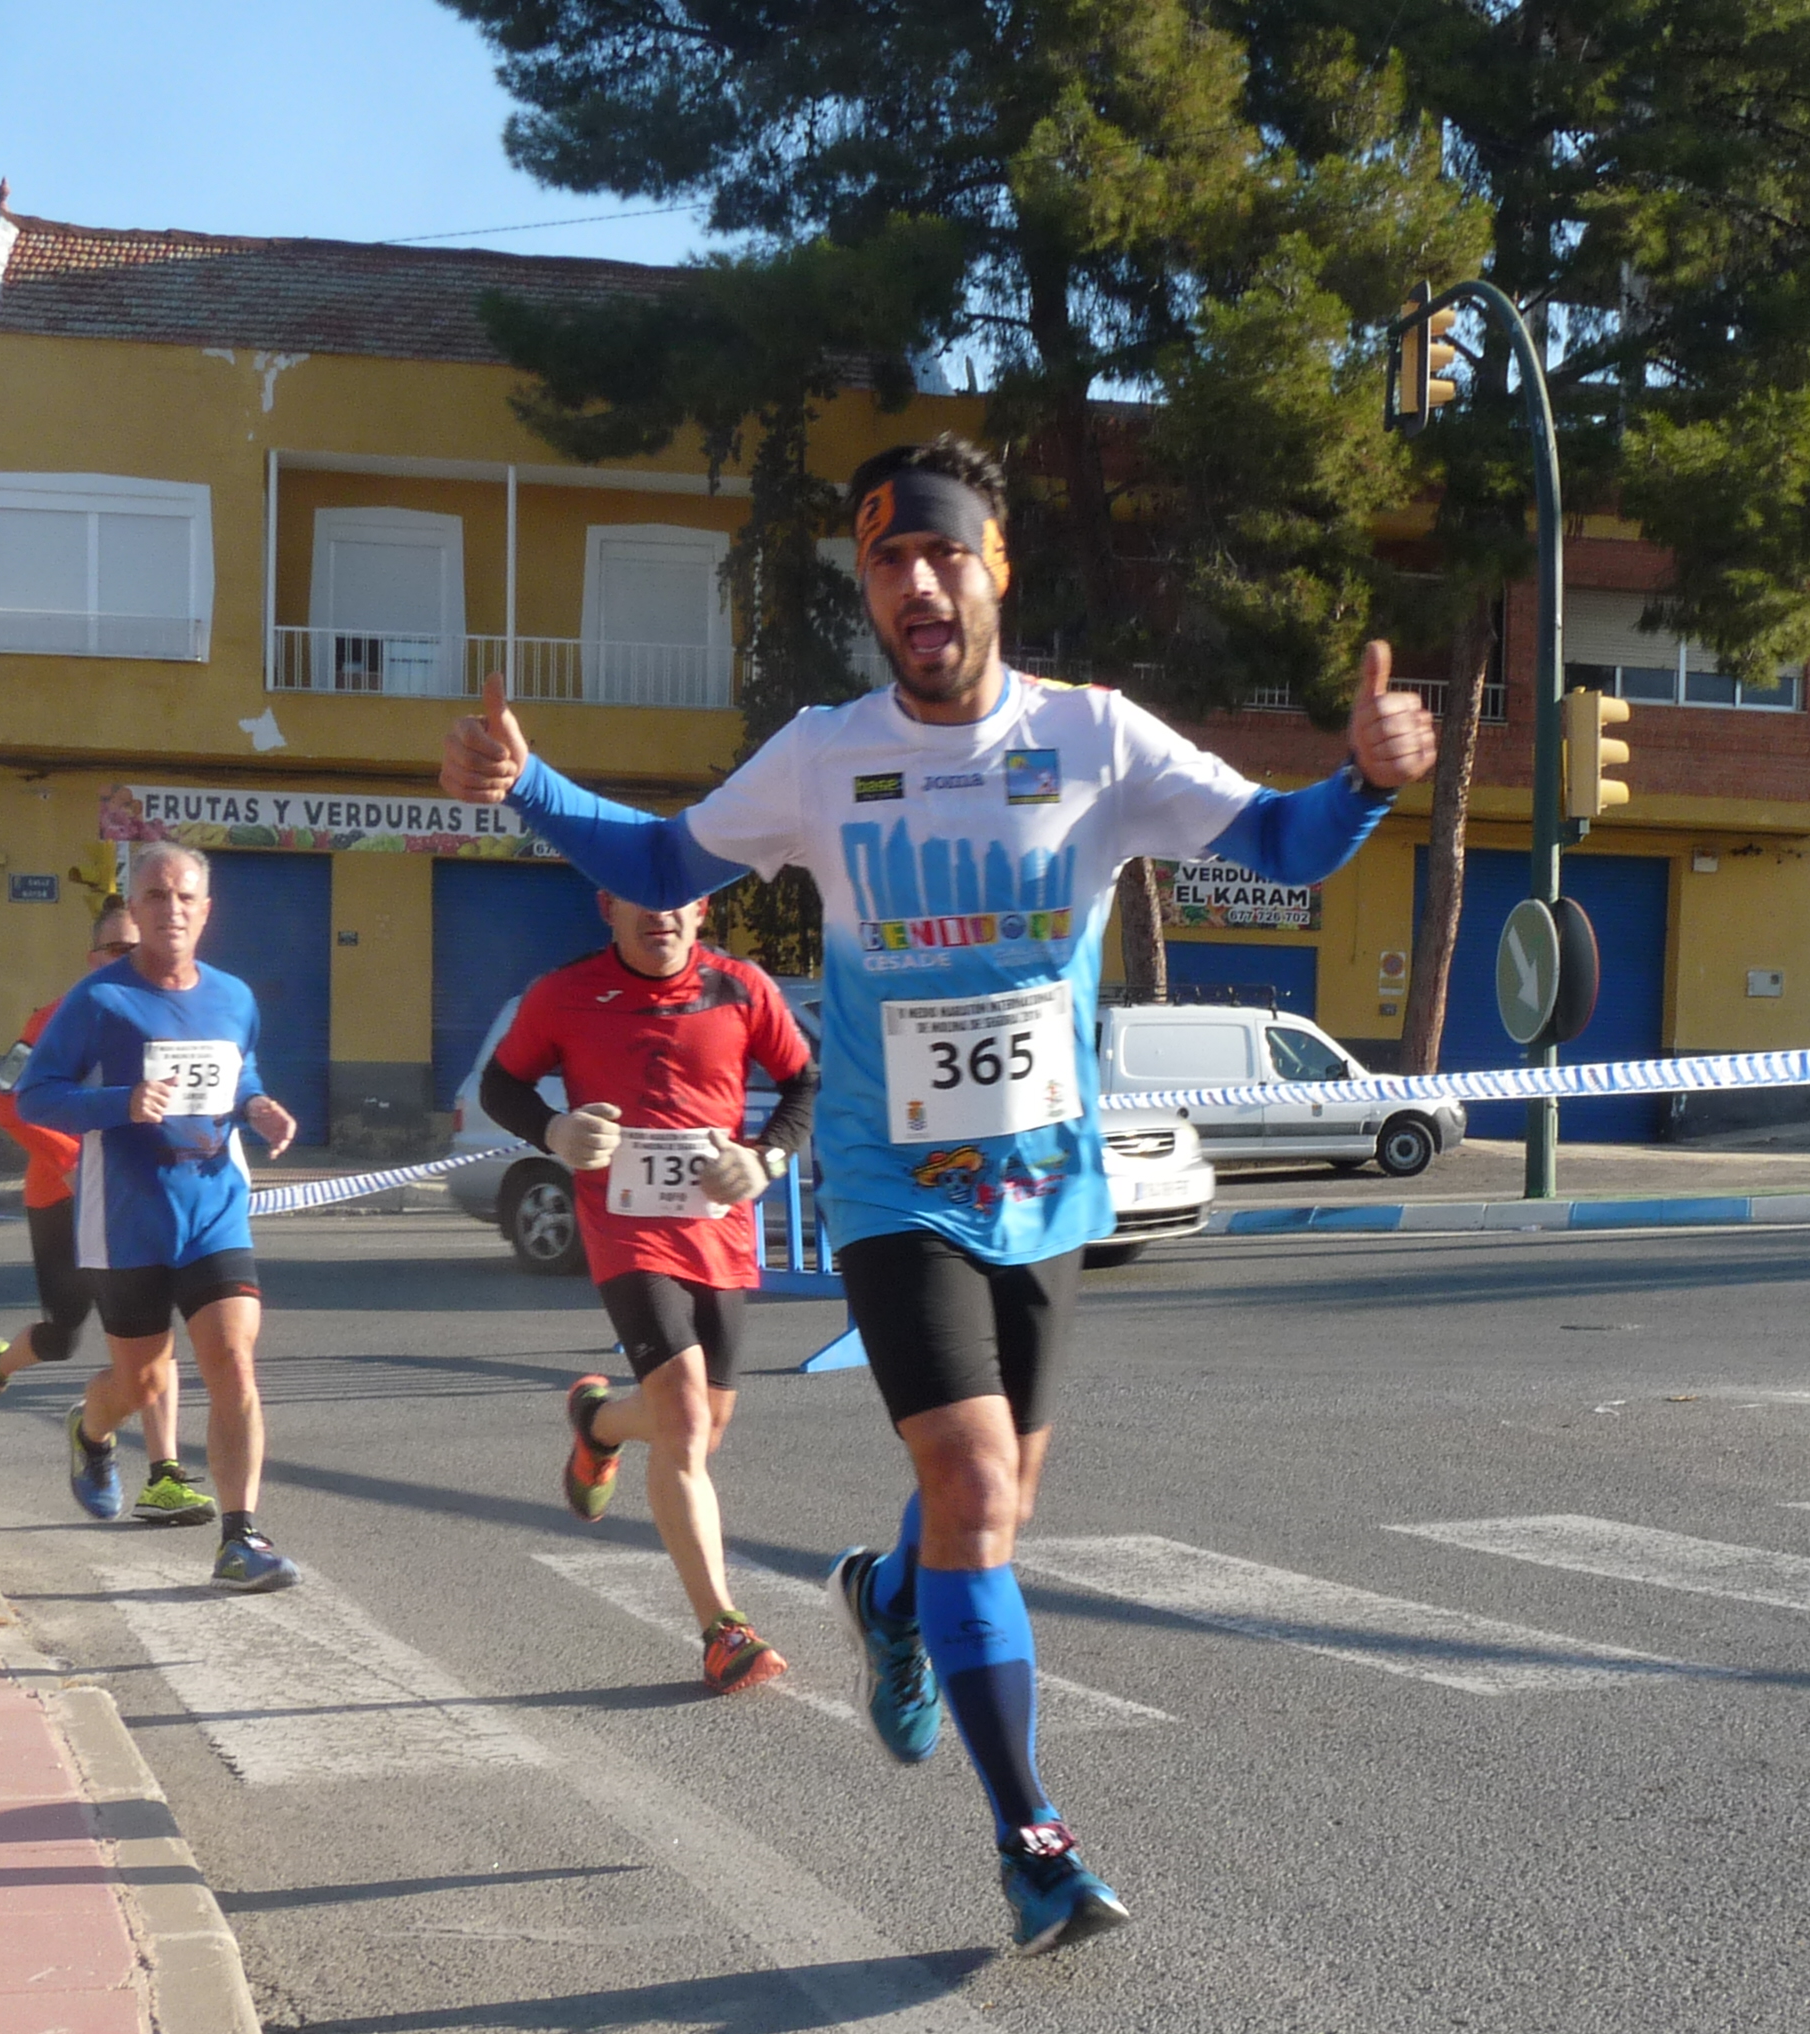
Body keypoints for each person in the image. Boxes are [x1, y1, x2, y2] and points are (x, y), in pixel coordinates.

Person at [439, 432, 1436, 1950]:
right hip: (889, 1181)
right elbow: (664, 853)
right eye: (888, 560)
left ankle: (889, 1594)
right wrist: (529, 788)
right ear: (868, 588)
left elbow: (1283, 845)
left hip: (1045, 1187)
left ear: (997, 568)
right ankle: (1034, 1841)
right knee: (970, 1483)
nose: (918, 583)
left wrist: (1363, 779)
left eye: (944, 552)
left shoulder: (1095, 737)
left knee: (997, 1509)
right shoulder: (823, 754)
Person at [481, 887, 817, 1695]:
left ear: (702, 911)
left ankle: (597, 1422)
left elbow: (804, 1084)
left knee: (701, 1427)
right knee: (685, 1417)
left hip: (718, 1229)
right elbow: (500, 1085)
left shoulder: (742, 987)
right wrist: (553, 1130)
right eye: (641, 898)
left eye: (679, 899)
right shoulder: (563, 993)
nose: (660, 912)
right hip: (624, 1227)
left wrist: (766, 1158)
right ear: (607, 906)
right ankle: (723, 1630)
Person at [15, 840, 302, 1593]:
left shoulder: (234, 997)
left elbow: (242, 1071)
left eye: (184, 897)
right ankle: (91, 1429)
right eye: (155, 896)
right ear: (135, 911)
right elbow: (33, 1095)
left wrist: (257, 1106)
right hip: (128, 1222)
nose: (171, 909)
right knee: (140, 1385)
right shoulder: (98, 1000)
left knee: (232, 1360)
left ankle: (240, 1537)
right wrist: (121, 1103)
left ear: (206, 911)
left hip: (214, 1209)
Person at [0, 900, 208, 1521]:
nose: (131, 957)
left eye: (139, 946)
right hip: (63, 1196)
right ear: (93, 959)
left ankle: (163, 1475)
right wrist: (68, 1160)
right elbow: (4, 1101)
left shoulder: (177, 1016)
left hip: (139, 1195)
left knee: (153, 1335)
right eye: (117, 948)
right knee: (62, 1334)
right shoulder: (56, 1017)